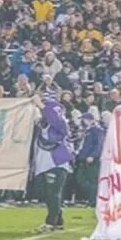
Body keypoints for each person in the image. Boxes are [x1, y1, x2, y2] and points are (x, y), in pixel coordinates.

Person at [32, 94, 73, 233]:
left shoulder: (60, 123)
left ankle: (51, 222)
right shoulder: (44, 124)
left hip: (56, 163)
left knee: (53, 193)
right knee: (49, 193)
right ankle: (59, 221)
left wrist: (42, 105)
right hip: (46, 163)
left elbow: (54, 118)